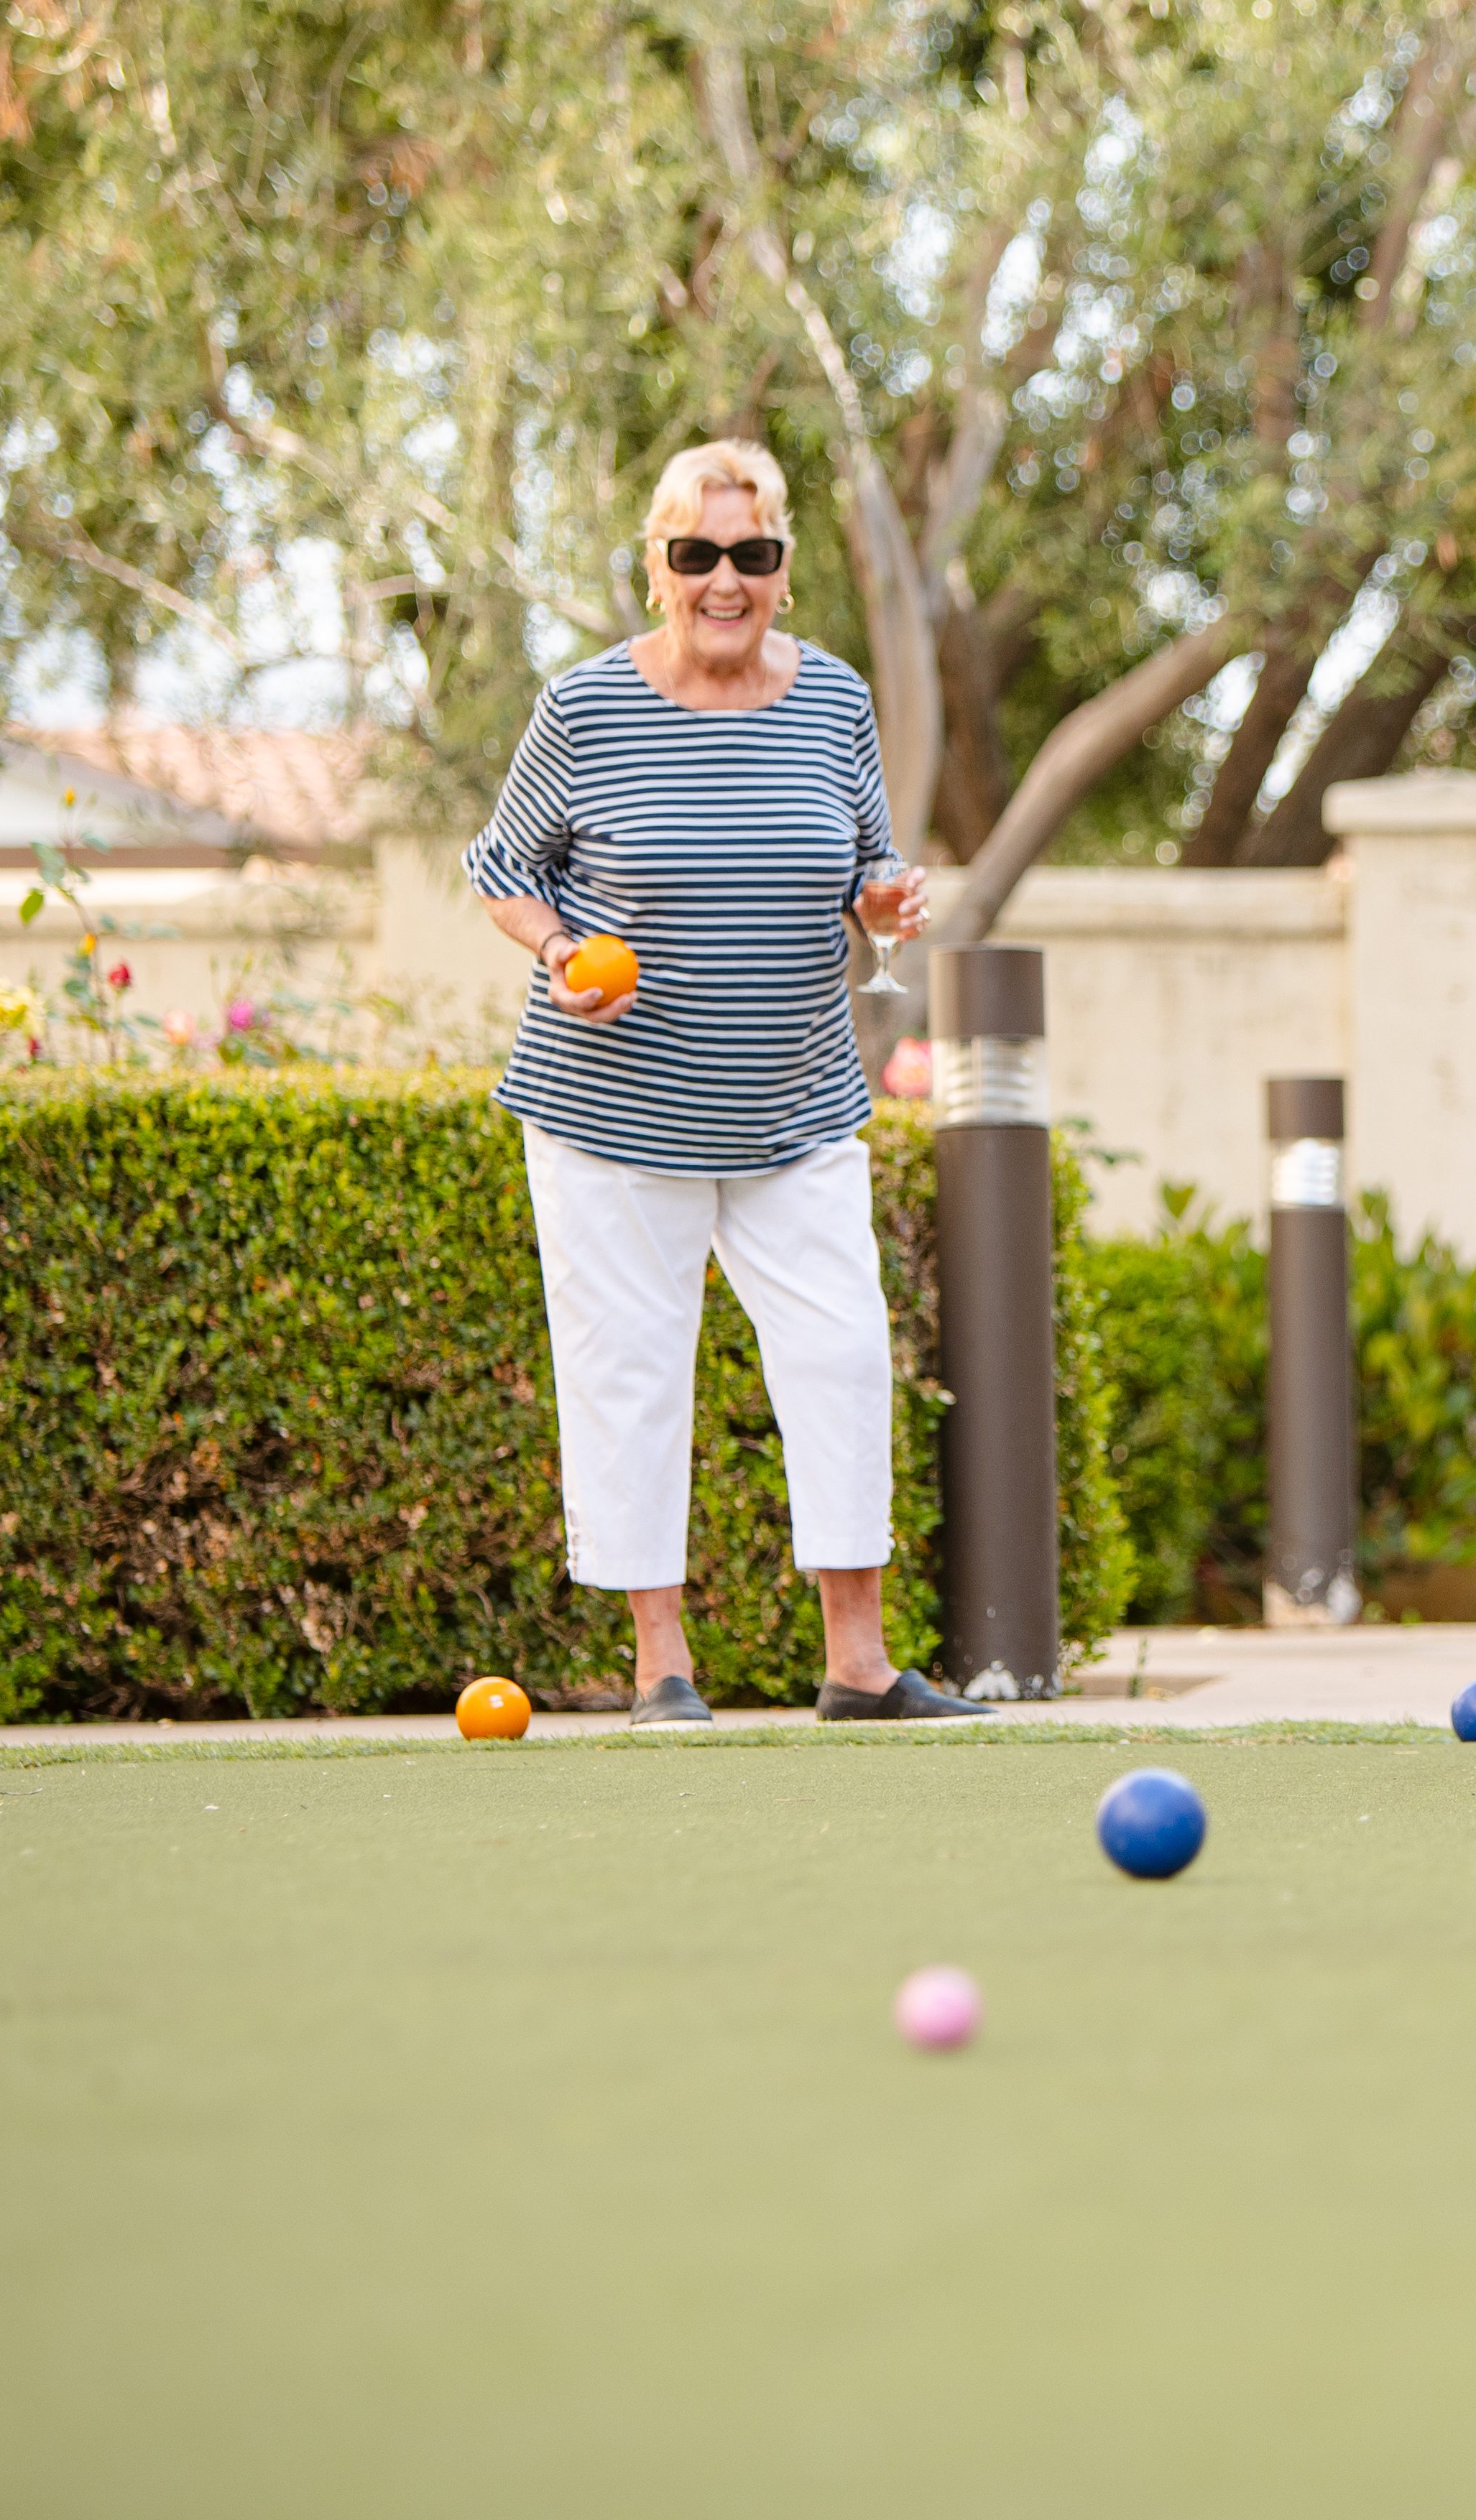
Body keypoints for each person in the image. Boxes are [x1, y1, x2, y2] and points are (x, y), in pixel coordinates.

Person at [466, 438, 987, 1728]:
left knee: (843, 1354)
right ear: (657, 564)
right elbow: (498, 869)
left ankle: (858, 1667)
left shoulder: (834, 701)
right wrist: (555, 956)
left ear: (783, 569)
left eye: (750, 555)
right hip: (611, 1113)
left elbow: (866, 864)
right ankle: (662, 1667)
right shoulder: (585, 708)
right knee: (632, 1371)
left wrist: (883, 896)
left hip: (796, 1100)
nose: (724, 579)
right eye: (697, 554)